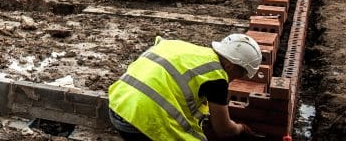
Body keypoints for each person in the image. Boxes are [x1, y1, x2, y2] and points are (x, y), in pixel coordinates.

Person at [108, 34, 262, 140]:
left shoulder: (182, 47)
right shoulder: (217, 77)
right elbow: (223, 129)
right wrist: (241, 129)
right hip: (137, 124)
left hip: (117, 106)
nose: (234, 80)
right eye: (239, 75)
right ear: (230, 65)